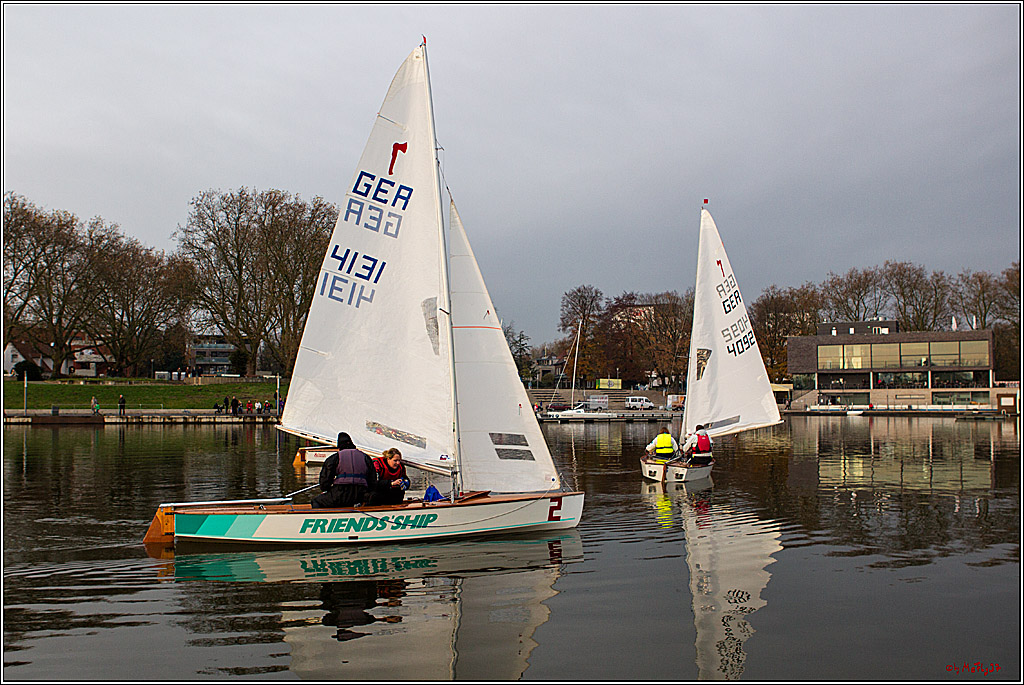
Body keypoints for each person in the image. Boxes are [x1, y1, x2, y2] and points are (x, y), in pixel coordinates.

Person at [311, 432, 377, 509]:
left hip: (340, 493)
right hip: (361, 494)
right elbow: (373, 480)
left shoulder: (335, 458)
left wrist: (327, 490)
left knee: (316, 501)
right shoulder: (366, 457)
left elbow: (325, 480)